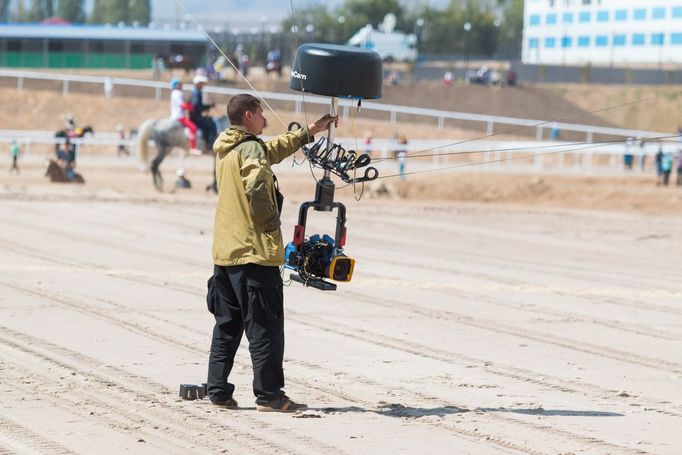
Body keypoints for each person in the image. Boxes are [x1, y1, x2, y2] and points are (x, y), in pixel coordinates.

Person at [206, 93, 337, 412]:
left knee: (227, 325)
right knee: (265, 327)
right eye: (261, 113)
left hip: (225, 255)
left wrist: (310, 130)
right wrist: (269, 224)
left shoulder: (228, 146)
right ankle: (269, 395)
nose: (265, 118)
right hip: (254, 253)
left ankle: (218, 391)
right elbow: (257, 186)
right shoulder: (249, 148)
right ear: (249, 115)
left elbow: (270, 150)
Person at [169, 79, 200, 155]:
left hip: (175, 116)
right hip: (179, 117)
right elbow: (182, 105)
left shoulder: (174, 93)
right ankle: (193, 148)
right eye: (180, 84)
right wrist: (191, 107)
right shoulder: (178, 93)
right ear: (176, 85)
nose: (182, 85)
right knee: (193, 128)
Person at [190, 74, 217, 151]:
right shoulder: (196, 93)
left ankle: (205, 141)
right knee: (212, 125)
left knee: (209, 121)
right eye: (202, 83)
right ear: (198, 83)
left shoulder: (196, 92)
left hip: (195, 115)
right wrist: (208, 106)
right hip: (195, 117)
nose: (203, 84)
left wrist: (207, 106)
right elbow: (197, 106)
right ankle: (209, 145)